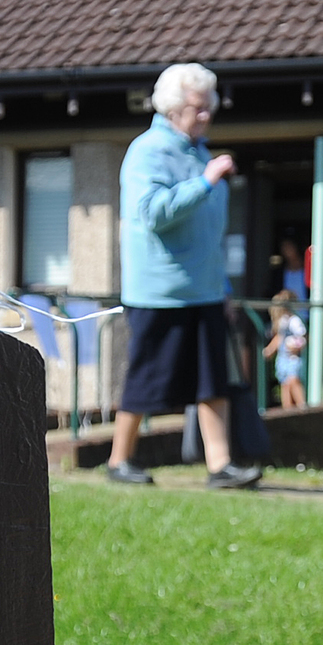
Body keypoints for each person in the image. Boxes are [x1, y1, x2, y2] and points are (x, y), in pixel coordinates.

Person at [109, 62, 263, 490]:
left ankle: (221, 465)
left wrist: (224, 290)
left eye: (209, 107)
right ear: (173, 108)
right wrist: (206, 182)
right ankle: (119, 460)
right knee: (145, 378)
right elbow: (153, 213)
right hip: (160, 292)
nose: (206, 115)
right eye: (198, 108)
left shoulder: (197, 152)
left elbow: (208, 235)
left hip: (204, 290)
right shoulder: (149, 151)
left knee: (214, 380)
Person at [271, 291, 307, 409]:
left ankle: (302, 406)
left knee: (294, 380)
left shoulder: (295, 321)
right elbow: (279, 338)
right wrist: (270, 349)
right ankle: (287, 409)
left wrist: (297, 347)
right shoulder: (282, 321)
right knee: (285, 384)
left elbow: (303, 336)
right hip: (282, 357)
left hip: (292, 356)